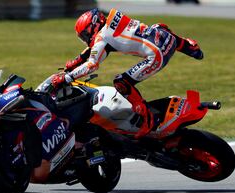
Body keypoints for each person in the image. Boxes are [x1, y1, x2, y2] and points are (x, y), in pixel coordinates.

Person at [50, 8, 203, 138]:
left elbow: (92, 65)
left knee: (121, 82)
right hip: (168, 39)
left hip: (157, 55)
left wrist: (67, 77)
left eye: (85, 34)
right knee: (158, 27)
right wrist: (76, 61)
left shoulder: (102, 38)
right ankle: (189, 46)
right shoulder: (114, 17)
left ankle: (147, 120)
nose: (85, 39)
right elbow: (98, 47)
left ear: (94, 25)